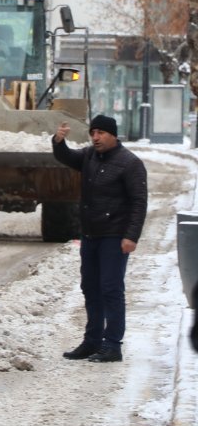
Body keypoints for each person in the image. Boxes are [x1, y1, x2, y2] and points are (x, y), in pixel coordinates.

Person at [53, 114, 148, 363]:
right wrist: (58, 142)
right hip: (91, 234)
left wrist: (131, 236)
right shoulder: (88, 157)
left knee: (110, 289)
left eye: (101, 133)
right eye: (92, 133)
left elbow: (139, 202)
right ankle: (92, 340)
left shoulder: (130, 163)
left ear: (113, 135)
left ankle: (113, 344)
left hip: (115, 237)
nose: (95, 138)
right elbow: (66, 157)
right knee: (90, 287)